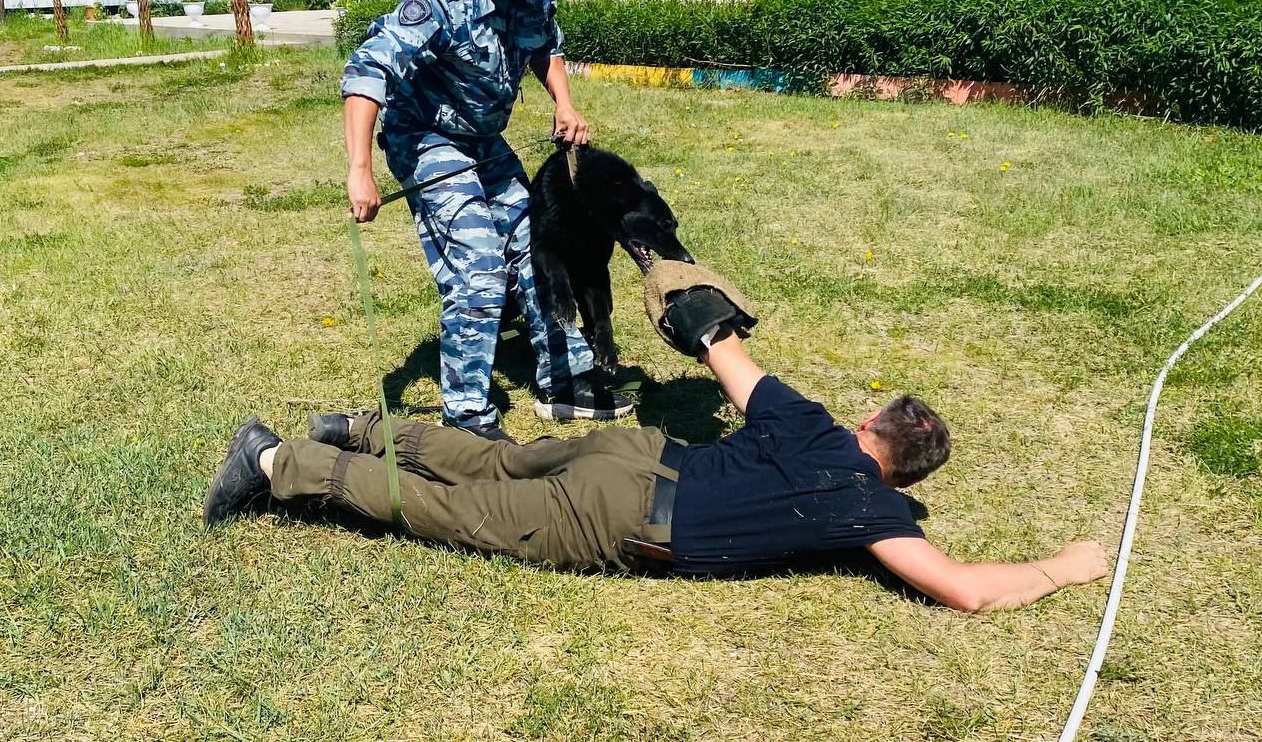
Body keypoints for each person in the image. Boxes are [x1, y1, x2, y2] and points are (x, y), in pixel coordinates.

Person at [203, 273, 1109, 609]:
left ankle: (353, 428)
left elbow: (721, 345)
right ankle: (277, 461)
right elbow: (963, 588)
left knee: (493, 456)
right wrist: (1063, 566)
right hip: (627, 515)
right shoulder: (871, 510)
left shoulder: (806, 419)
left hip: (633, 451)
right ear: (903, 477)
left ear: (872, 424)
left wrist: (675, 280)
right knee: (454, 510)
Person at [341, 0, 631, 441]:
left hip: (482, 138)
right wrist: (360, 168)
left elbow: (545, 47)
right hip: (426, 135)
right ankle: (467, 414)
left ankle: (563, 378)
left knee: (537, 242)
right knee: (479, 264)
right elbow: (367, 70)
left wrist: (564, 104)